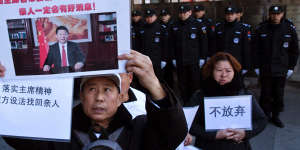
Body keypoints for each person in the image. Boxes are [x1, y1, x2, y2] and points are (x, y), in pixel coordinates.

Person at [4, 50, 188, 150]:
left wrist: (154, 84)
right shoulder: (57, 134)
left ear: (120, 97)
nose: (99, 97)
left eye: (107, 89)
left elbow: (172, 133)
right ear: (81, 96)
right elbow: (16, 133)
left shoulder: (139, 129)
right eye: (91, 89)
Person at [184, 52, 267, 150]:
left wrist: (245, 133)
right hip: (207, 145)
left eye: (228, 71)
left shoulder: (243, 94)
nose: (223, 75)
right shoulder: (200, 95)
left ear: (234, 72)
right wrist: (214, 135)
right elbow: (187, 123)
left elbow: (261, 120)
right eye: (219, 70)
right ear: (211, 71)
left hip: (238, 146)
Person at [254, 5, 299, 128]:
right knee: (265, 93)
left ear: (282, 14)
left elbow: (294, 50)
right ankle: (265, 116)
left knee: (278, 93)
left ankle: (276, 116)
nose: (275, 16)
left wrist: (291, 67)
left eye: (278, 14)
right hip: (266, 67)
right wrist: (256, 66)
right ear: (269, 14)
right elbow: (256, 49)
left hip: (281, 68)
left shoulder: (289, 28)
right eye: (273, 14)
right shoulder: (262, 28)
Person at [170, 4, 208, 105]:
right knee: (182, 83)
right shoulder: (175, 25)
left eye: (185, 13)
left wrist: (203, 58)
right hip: (180, 60)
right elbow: (171, 43)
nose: (182, 15)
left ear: (190, 12)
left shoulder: (198, 24)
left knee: (195, 83)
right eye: (181, 13)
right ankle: (185, 102)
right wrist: (173, 57)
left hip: (194, 60)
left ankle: (195, 102)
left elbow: (203, 43)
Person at [214, 6, 252, 75]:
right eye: (227, 14)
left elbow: (246, 48)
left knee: (237, 83)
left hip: (237, 62)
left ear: (236, 15)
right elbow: (214, 46)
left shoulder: (242, 28)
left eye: (232, 14)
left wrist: (246, 65)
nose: (229, 16)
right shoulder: (219, 27)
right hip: (222, 61)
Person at [136, 8, 165, 79]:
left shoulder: (161, 28)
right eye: (147, 17)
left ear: (155, 16)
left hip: (157, 59)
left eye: (151, 17)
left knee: (157, 79)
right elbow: (138, 45)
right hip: (145, 59)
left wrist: (164, 59)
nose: (149, 19)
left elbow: (165, 45)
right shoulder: (142, 29)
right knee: (145, 79)